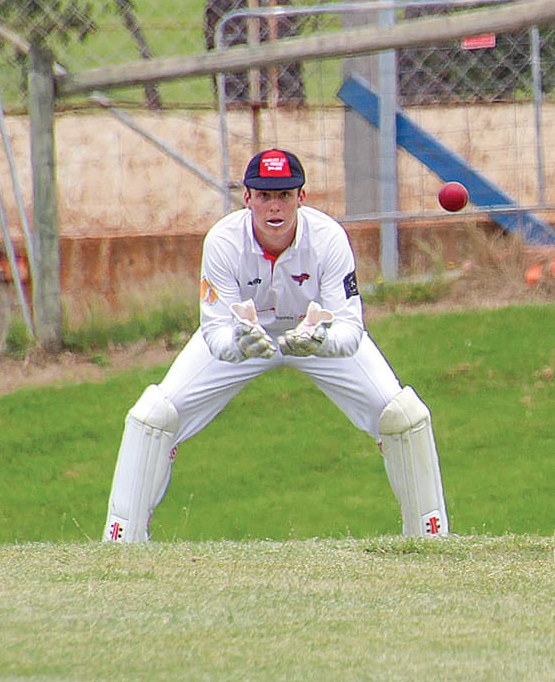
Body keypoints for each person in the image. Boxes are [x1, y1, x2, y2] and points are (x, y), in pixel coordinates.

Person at [101, 149, 450, 542]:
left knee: (402, 415)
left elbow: (350, 330)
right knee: (154, 416)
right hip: (245, 337)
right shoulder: (222, 242)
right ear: (247, 198)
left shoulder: (329, 238)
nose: (274, 206)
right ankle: (122, 541)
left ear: (302, 197)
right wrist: (241, 344)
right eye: (264, 195)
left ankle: (428, 538)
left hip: (315, 337)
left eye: (285, 194)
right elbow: (215, 333)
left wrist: (319, 339)